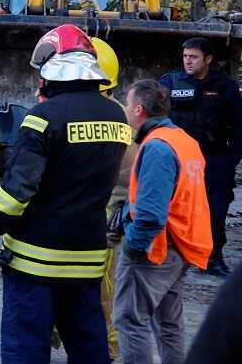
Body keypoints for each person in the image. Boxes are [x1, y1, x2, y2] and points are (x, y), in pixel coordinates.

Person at [0, 24, 129, 364]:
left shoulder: (42, 118)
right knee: (89, 348)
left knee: (26, 347)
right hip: (88, 259)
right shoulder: (116, 116)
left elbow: (16, 193)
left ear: (54, 68)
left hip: (35, 262)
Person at [114, 79, 211, 364]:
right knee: (169, 324)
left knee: (130, 320)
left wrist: (132, 247)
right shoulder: (184, 140)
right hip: (182, 245)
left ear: (139, 110)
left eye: (129, 106)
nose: (127, 112)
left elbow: (151, 215)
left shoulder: (157, 148)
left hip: (156, 249)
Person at [159, 37, 242, 276]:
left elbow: (238, 126)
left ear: (208, 59)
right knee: (173, 210)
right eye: (185, 56)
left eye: (193, 57)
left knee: (215, 212)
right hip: (178, 160)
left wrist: (230, 161)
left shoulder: (225, 87)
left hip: (214, 159)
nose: (188, 61)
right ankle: (169, 257)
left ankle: (212, 258)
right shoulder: (169, 83)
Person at [91, 37, 130, 362]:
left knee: (102, 289)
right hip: (111, 214)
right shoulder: (121, 115)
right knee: (106, 286)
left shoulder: (79, 114)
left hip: (102, 216)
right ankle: (108, 347)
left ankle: (108, 349)